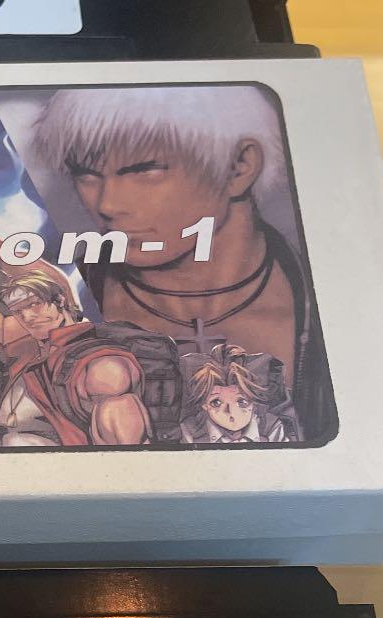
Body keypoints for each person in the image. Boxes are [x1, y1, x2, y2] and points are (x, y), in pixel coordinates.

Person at [32, 85, 333, 442]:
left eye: (145, 171)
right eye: (87, 175)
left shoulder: (333, 301)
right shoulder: (55, 301)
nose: (107, 204)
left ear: (238, 167)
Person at [0, 270, 151, 447]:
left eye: (33, 304)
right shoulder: (20, 371)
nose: (27, 317)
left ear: (60, 300)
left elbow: (126, 458)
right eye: (18, 311)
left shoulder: (100, 366)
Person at [180, 344, 297, 444]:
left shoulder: (270, 426)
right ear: (204, 405)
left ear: (254, 403)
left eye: (242, 402)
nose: (231, 413)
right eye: (216, 403)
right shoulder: (191, 431)